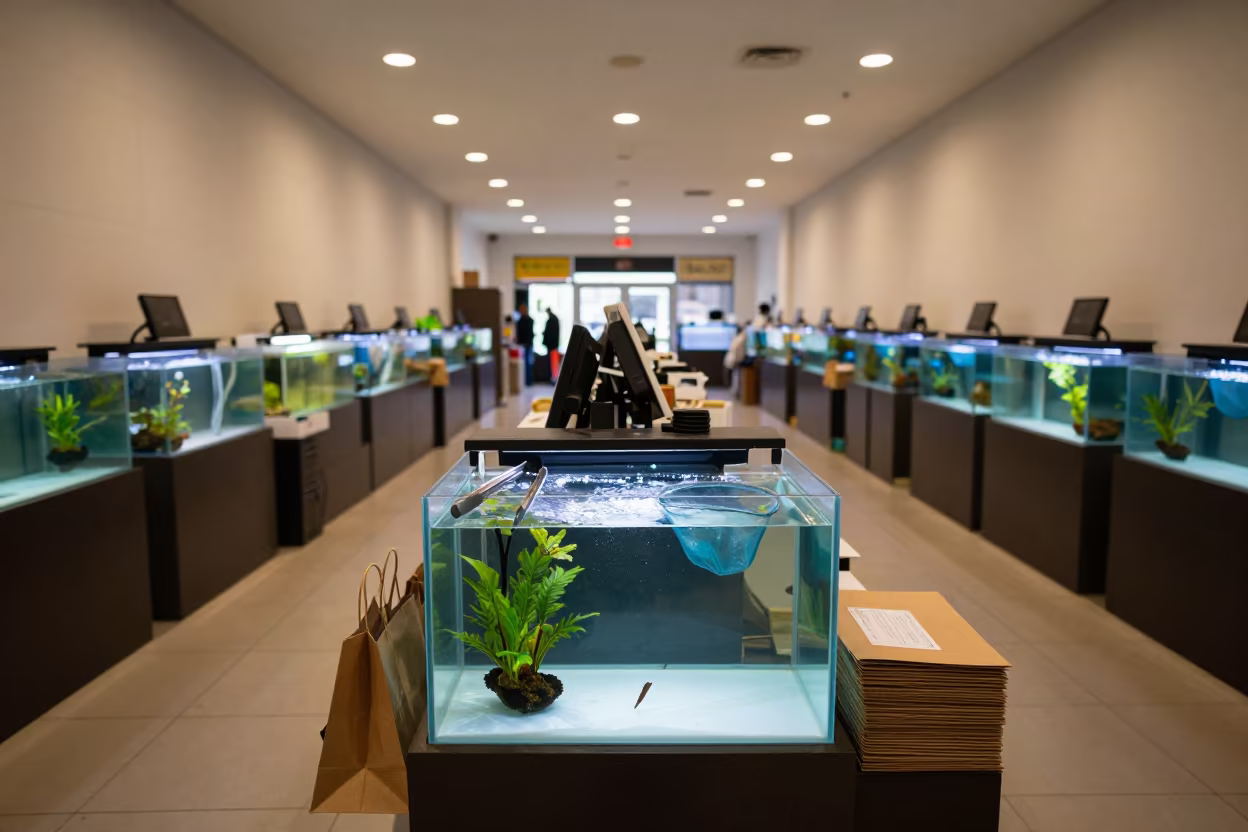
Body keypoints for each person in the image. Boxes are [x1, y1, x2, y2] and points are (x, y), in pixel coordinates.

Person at [515, 303, 535, 385]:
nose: (521, 311)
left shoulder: (529, 320)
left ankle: (528, 381)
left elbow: (529, 333)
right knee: (524, 364)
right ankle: (524, 381)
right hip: (521, 345)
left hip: (527, 345)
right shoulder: (519, 320)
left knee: (527, 363)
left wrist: (526, 343)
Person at [542, 307, 561, 379]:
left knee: (553, 363)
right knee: (553, 362)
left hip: (552, 345)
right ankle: (552, 377)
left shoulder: (551, 320)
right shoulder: (554, 319)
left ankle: (552, 377)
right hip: (553, 345)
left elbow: (550, 333)